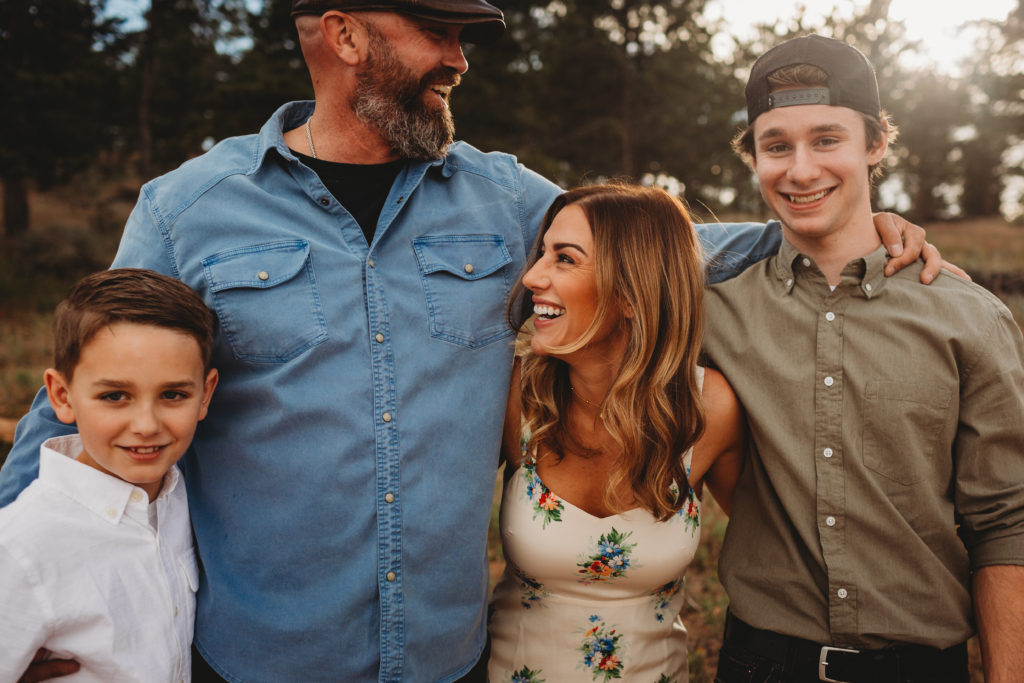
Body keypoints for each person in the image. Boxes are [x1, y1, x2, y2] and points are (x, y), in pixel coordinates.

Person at [0, 2, 943, 680]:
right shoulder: (188, 208)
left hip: (450, 659)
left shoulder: (504, 196)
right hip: (259, 659)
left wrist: (845, 228)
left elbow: (647, 247)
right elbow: (72, 405)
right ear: (346, 33)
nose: (459, 57)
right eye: (438, 31)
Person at [704, 34, 1024, 683]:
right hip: (760, 662)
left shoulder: (970, 317)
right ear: (753, 157)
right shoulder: (711, 311)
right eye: (776, 146)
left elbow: (1005, 522)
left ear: (876, 144)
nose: (799, 169)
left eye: (827, 140)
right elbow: (611, 239)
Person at [487, 184, 746, 682]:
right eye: (543, 253)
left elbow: (770, 549)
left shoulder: (707, 409)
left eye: (564, 259)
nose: (533, 276)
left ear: (630, 294)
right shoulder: (515, 397)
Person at [0, 268, 219, 681]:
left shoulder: (180, 500)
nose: (146, 424)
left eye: (173, 395)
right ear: (62, 397)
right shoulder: (21, 547)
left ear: (205, 394)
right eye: (114, 396)